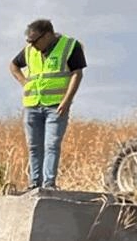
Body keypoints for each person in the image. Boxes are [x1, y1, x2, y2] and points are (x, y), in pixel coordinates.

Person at [9, 19, 85, 192]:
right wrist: (24, 82)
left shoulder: (69, 46)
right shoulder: (30, 50)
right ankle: (34, 183)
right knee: (34, 146)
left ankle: (48, 184)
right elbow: (13, 65)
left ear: (48, 35)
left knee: (52, 144)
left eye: (35, 40)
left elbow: (77, 74)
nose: (32, 44)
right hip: (32, 105)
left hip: (56, 106)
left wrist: (67, 100)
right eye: (29, 41)